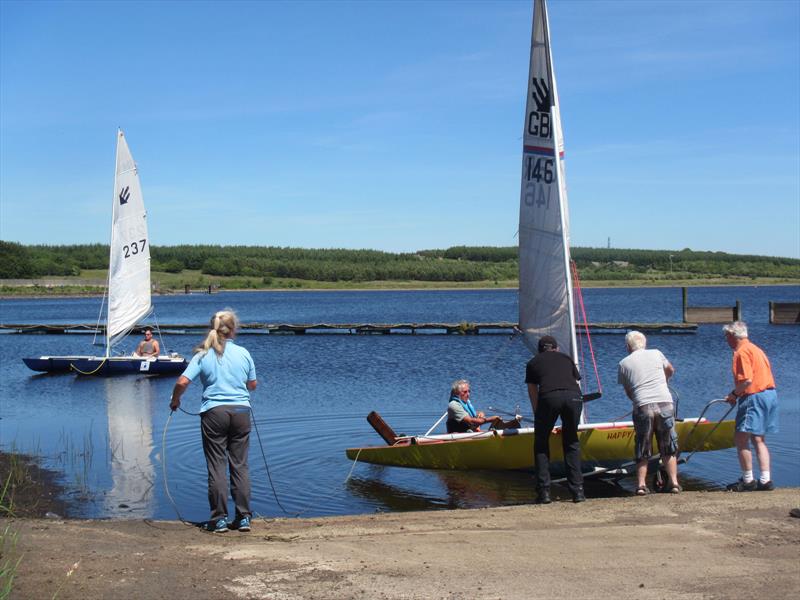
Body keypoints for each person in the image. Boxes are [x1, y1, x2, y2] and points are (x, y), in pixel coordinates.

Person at [169, 309, 257, 533]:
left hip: (214, 413)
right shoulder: (244, 353)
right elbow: (252, 384)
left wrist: (175, 401)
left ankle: (219, 519)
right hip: (241, 412)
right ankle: (244, 518)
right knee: (240, 465)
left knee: (217, 465)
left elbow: (182, 381)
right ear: (233, 329)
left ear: (212, 328)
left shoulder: (203, 355)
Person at [617, 331, 681, 495]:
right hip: (665, 402)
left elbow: (628, 390)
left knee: (643, 445)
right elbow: (671, 370)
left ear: (628, 347)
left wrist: (637, 400)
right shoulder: (656, 353)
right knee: (668, 445)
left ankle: (640, 485)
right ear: (644, 343)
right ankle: (674, 483)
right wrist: (665, 381)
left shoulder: (623, 363)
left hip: (643, 405)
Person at [525, 335, 584, 504]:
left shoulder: (533, 362)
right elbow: (576, 382)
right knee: (571, 442)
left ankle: (544, 492)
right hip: (573, 397)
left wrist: (538, 415)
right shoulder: (566, 358)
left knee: (542, 442)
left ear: (539, 350)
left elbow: (532, 390)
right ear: (556, 348)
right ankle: (578, 491)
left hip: (549, 397)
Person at [722, 321, 778, 492]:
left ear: (733, 336)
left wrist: (733, 395)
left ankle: (748, 480)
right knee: (758, 439)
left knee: (741, 438)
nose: (726, 340)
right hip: (770, 395)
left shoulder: (742, 352)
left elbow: (747, 380)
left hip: (754, 396)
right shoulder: (756, 349)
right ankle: (765, 479)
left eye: (727, 336)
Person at [446, 379, 519, 433]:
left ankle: (512, 426)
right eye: (465, 392)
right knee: (495, 422)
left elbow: (471, 414)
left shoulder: (466, 403)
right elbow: (471, 421)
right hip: (458, 437)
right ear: (456, 393)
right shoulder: (454, 405)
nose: (468, 394)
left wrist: (480, 413)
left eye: (469, 391)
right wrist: (489, 419)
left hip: (470, 433)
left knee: (501, 424)